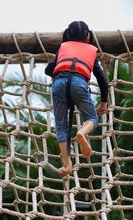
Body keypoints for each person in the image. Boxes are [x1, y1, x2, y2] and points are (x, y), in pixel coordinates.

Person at [45, 21, 108, 177]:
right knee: (92, 118)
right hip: (79, 82)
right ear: (88, 37)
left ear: (68, 35)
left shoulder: (63, 48)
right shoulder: (91, 51)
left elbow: (48, 70)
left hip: (59, 83)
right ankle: (81, 133)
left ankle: (67, 166)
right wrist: (104, 103)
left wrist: (58, 75)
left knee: (61, 125)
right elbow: (102, 80)